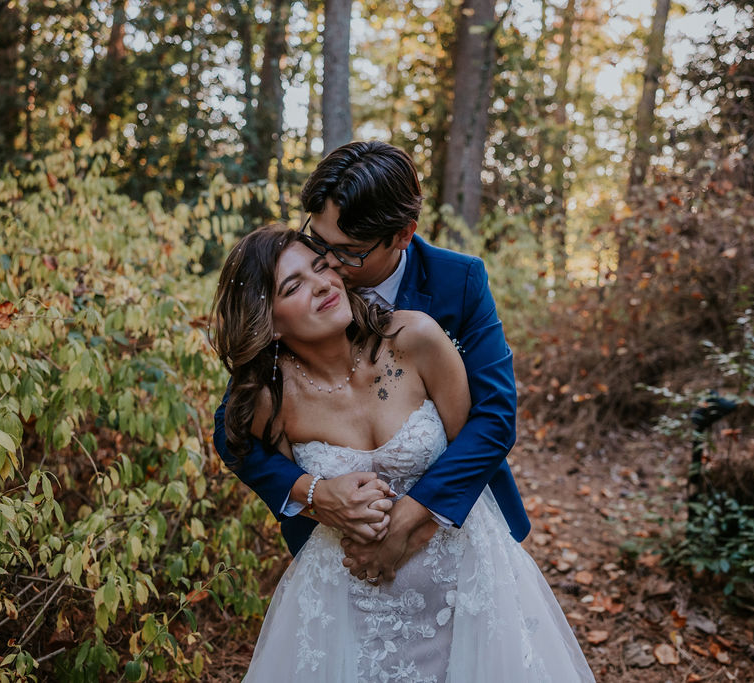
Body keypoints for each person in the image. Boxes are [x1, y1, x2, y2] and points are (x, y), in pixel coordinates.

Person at [209, 225, 595, 681]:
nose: (323, 284)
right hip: (350, 601)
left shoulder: (416, 338)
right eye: (293, 286)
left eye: (321, 267)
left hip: (468, 589)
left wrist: (414, 522)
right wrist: (315, 493)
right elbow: (236, 446)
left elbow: (479, 436)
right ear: (268, 322)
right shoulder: (271, 398)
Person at [212, 141, 530, 583]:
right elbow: (233, 430)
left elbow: (495, 417)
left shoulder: (457, 282)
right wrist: (315, 494)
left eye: (347, 252)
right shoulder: (301, 289)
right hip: (345, 562)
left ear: (403, 235)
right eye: (318, 242)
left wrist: (409, 525)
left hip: (454, 530)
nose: (330, 269)